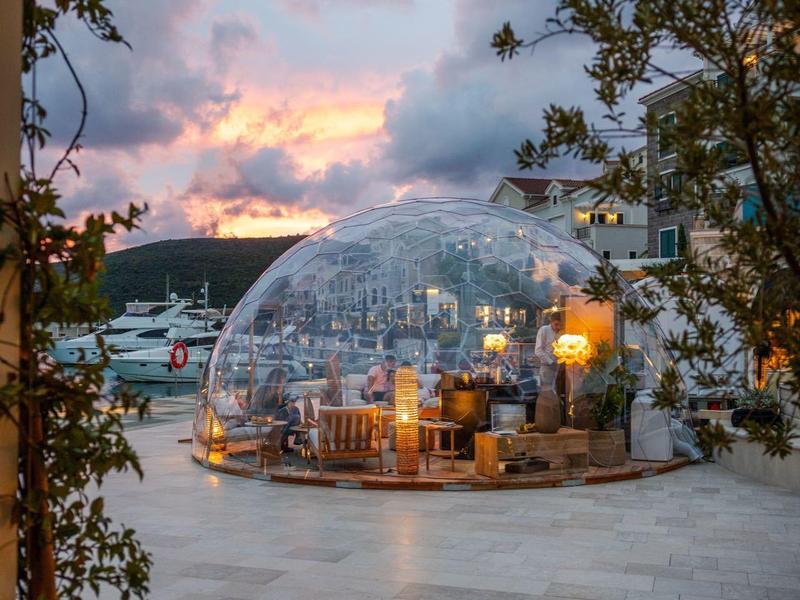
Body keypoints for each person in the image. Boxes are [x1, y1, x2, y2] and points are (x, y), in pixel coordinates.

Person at [535, 313, 563, 392]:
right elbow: (538, 350)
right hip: (546, 366)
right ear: (551, 322)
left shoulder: (561, 332)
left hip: (559, 367)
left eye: (560, 325)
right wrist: (551, 362)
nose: (558, 327)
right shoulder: (544, 330)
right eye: (556, 324)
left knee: (556, 391)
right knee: (547, 391)